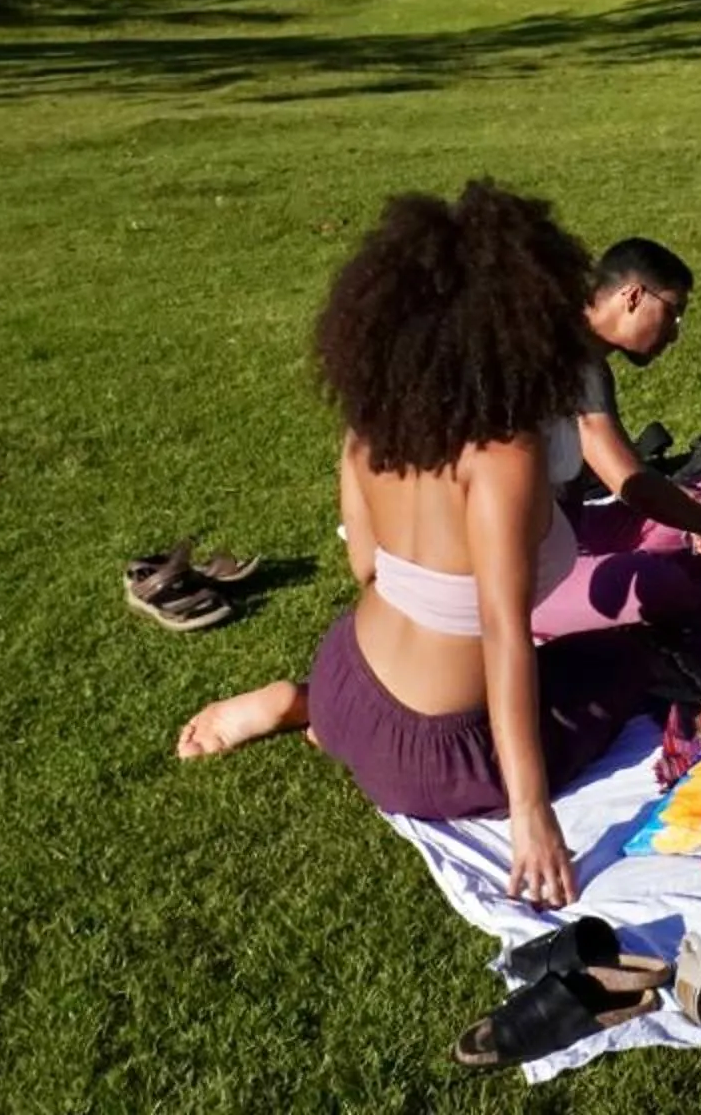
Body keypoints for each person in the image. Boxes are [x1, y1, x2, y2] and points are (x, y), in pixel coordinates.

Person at [173, 182, 646, 909]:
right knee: (626, 666)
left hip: (345, 679)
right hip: (434, 754)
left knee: (570, 663)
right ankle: (314, 717)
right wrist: (531, 815)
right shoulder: (503, 456)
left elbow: (365, 566)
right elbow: (502, 634)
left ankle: (306, 709)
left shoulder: (372, 428)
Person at [531, 237, 701, 640]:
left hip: (570, 528)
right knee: (662, 585)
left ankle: (668, 556)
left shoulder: (584, 355)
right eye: (673, 313)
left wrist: (700, 519)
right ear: (633, 296)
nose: (674, 334)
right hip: (526, 574)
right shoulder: (571, 359)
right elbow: (630, 484)